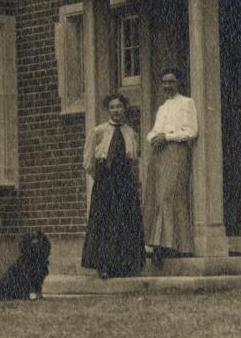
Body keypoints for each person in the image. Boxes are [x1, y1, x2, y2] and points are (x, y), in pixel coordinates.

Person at [80, 93, 145, 279]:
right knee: (105, 221)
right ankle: (104, 265)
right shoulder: (98, 131)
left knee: (125, 219)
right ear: (108, 110)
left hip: (124, 182)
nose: (116, 111)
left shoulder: (131, 132)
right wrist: (101, 179)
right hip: (105, 182)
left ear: (125, 109)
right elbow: (88, 162)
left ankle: (125, 264)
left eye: (119, 107)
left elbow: (134, 158)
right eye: (112, 107)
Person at [144, 67, 197, 265]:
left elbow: (191, 131)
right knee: (156, 196)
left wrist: (167, 137)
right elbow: (155, 130)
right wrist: (154, 138)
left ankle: (180, 245)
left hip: (177, 151)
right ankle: (160, 244)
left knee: (171, 195)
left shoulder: (187, 103)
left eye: (171, 81)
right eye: (164, 82)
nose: (167, 85)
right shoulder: (163, 107)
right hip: (159, 153)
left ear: (179, 82)